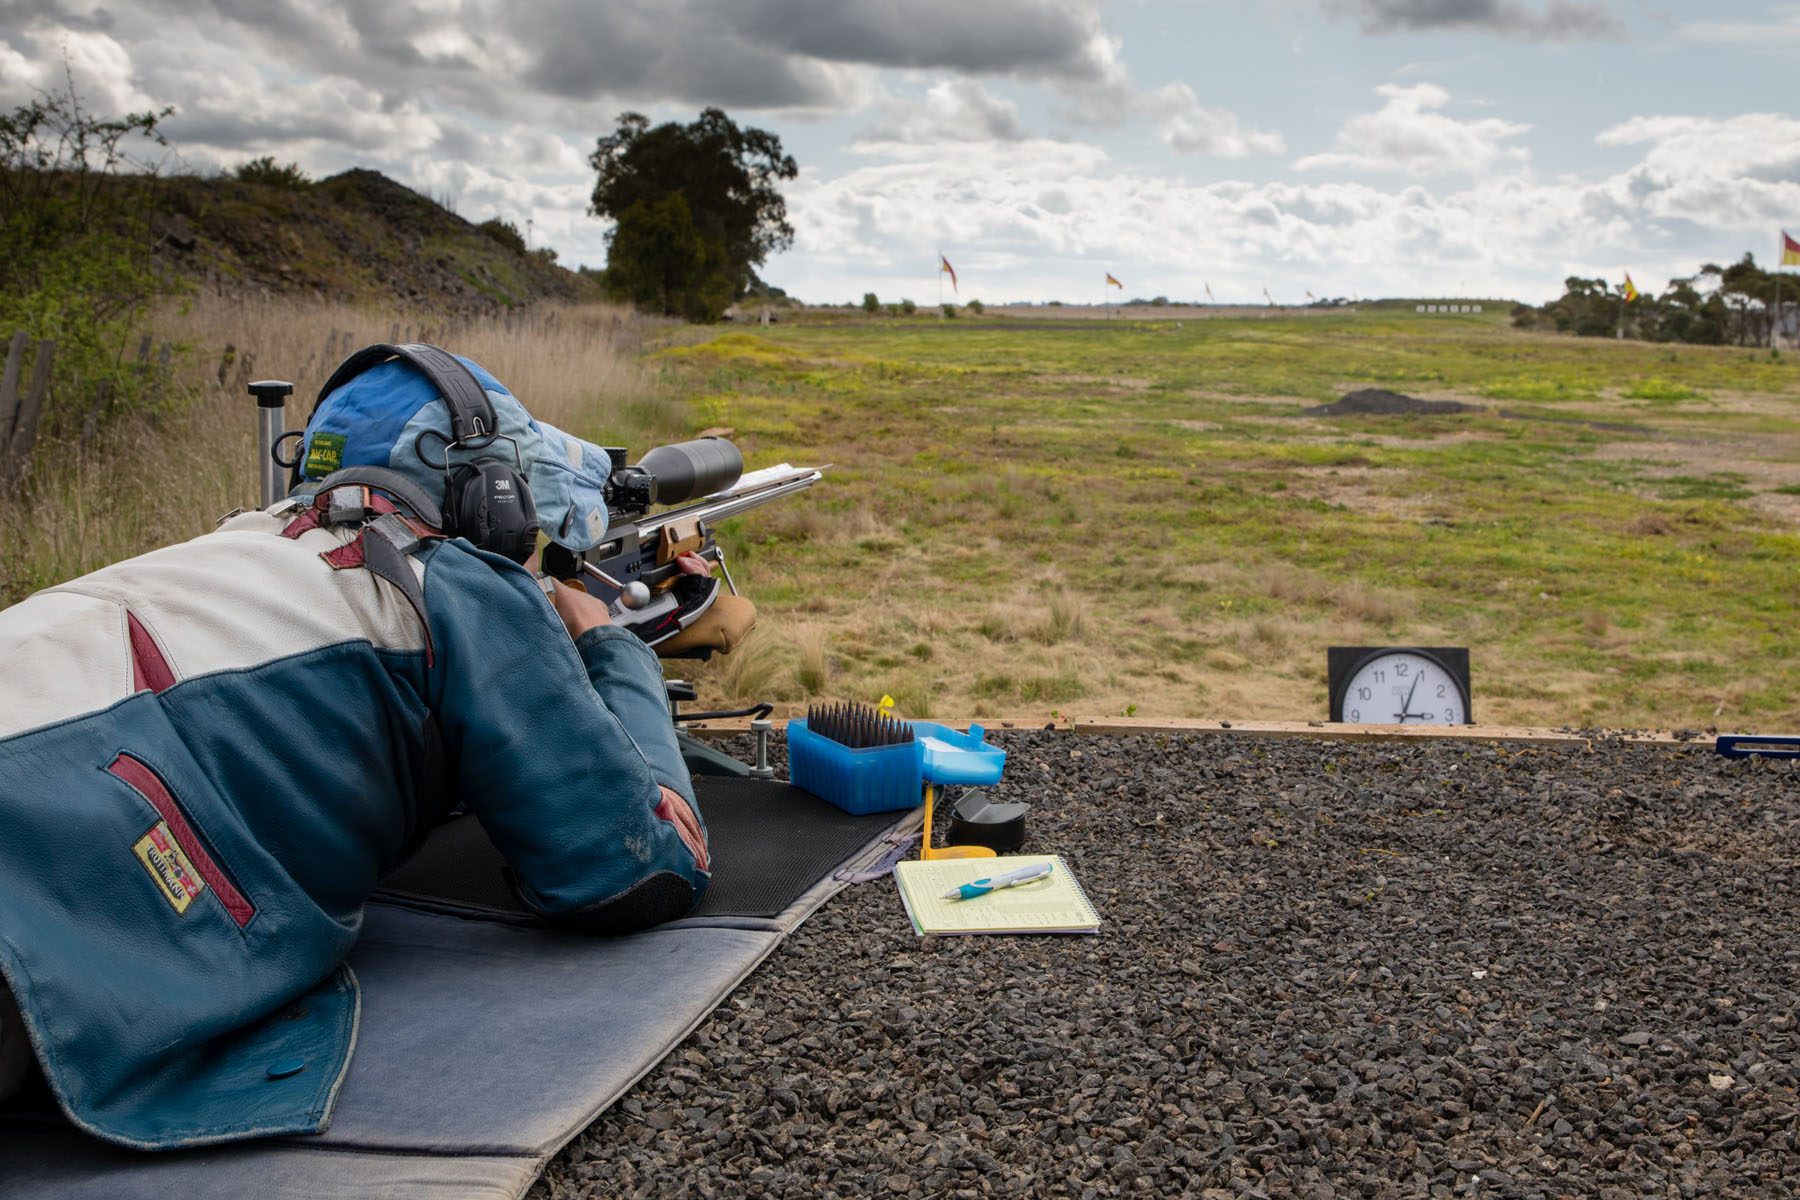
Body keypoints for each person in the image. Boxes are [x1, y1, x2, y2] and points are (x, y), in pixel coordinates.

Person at [0, 345, 710, 1150]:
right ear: (491, 502)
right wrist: (615, 652)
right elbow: (637, 869)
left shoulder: (227, 551)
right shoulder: (442, 579)